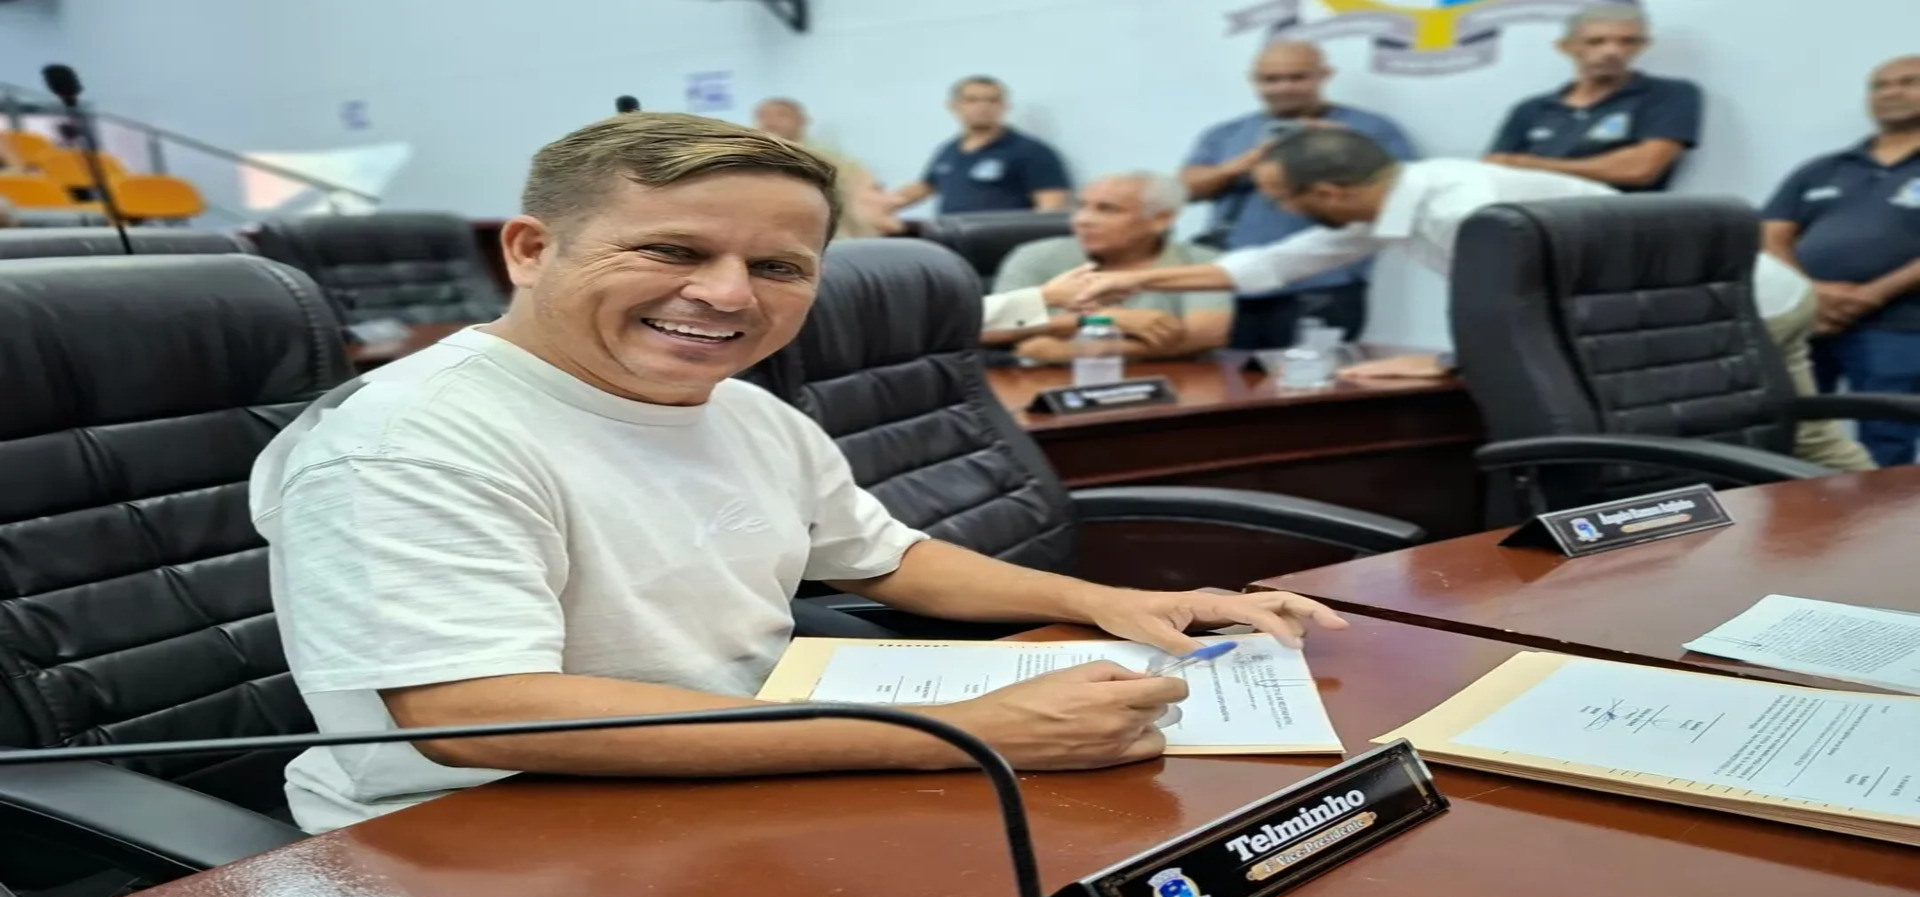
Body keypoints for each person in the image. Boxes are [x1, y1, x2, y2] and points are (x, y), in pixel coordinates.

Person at [250, 111, 1344, 832]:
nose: (730, 296)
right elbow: (473, 712)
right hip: (474, 835)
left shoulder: (744, 410)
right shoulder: (411, 438)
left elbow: (886, 558)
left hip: (735, 772)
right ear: (532, 250)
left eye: (778, 266)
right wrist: (961, 734)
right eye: (674, 251)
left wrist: (1110, 602)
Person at [1073, 128, 1875, 474]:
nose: (1283, 212)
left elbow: (1525, 309)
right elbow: (1273, 265)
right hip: (1691, 307)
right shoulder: (1400, 196)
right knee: (1773, 444)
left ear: (1330, 192)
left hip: (1737, 306)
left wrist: (1447, 361)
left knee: (1780, 439)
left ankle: (1868, 539)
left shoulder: (1464, 208)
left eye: (1286, 199)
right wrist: (1130, 280)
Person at [1182, 40, 1415, 348]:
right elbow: (1184, 190)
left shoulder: (1369, 129)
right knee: (1223, 375)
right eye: (1271, 79)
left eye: (1297, 77)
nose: (1284, 88)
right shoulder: (1225, 134)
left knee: (1314, 375)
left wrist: (1339, 150)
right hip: (1233, 283)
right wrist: (1243, 164)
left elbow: (1397, 195)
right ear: (1253, 80)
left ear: (1324, 74)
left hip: (1322, 284)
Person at [1763, 55, 1920, 467]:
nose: (1892, 92)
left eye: (1908, 82)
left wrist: (1872, 294)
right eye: (1880, 85)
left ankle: (1889, 513)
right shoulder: (1824, 168)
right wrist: (1808, 293)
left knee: (1887, 434)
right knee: (1790, 429)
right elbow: (1771, 234)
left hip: (1899, 325)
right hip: (1807, 323)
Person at [986, 172, 1232, 364]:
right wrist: (1104, 320)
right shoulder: (1037, 255)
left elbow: (1205, 335)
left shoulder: (1203, 260)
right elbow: (992, 326)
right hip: (1041, 386)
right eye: (1081, 206)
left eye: (1107, 209)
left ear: (1161, 219)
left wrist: (1074, 350)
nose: (1082, 220)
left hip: (1174, 387)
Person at [1484, 4, 1702, 193]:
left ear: (1643, 46)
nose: (1612, 51)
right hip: (1534, 217)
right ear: (1565, 47)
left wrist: (1528, 164)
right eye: (1596, 42)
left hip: (1616, 218)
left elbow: (1639, 170)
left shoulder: (1668, 94)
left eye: (1627, 41)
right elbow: (1494, 169)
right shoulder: (1531, 109)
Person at [885, 77, 1071, 215]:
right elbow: (924, 187)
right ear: (953, 106)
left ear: (1005, 106)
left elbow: (1052, 208)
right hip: (953, 240)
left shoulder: (1031, 151)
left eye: (992, 100)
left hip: (1003, 244)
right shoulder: (948, 151)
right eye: (972, 100)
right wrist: (882, 205)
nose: (983, 107)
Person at [751, 96, 901, 239]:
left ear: (802, 120)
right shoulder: (751, 158)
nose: (771, 121)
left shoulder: (833, 160)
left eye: (782, 115)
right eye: (763, 116)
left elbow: (867, 201)